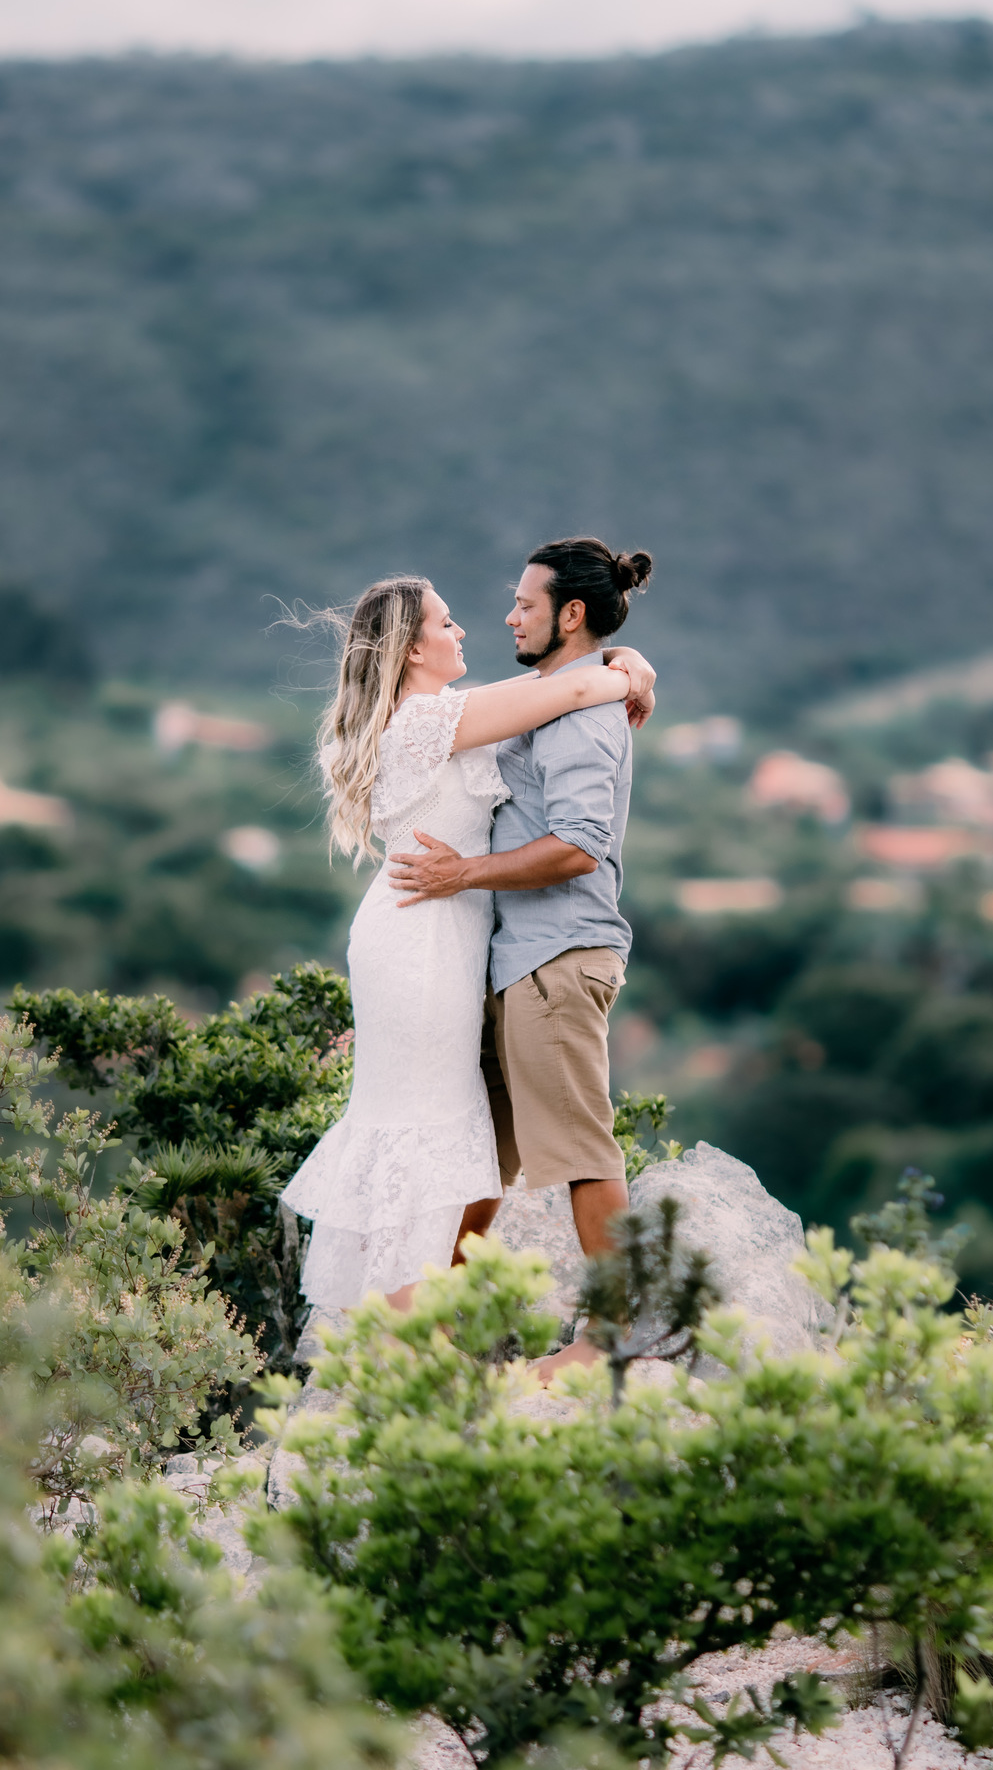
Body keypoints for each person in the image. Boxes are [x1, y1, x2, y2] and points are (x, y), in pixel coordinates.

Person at [279, 573, 655, 1314]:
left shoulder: (442, 714)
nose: (462, 633)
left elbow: (557, 689)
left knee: (445, 1118)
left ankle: (411, 1316)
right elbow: (576, 690)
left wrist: (627, 658)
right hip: (421, 940)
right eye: (445, 624)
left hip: (439, 933)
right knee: (426, 1117)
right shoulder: (428, 720)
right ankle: (403, 1318)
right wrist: (632, 672)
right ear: (412, 649)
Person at [387, 538, 652, 1376]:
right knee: (479, 1152)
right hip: (515, 965)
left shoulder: (581, 715)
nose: (509, 617)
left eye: (525, 604)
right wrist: (630, 665)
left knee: (581, 1149)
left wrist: (462, 873)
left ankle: (610, 1340)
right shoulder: (557, 699)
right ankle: (431, 1323)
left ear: (570, 614)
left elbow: (577, 845)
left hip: (558, 960)